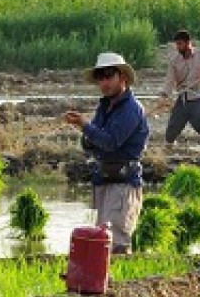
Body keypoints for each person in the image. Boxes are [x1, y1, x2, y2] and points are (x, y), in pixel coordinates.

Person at [64, 52, 149, 255]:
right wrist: (87, 131)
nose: (104, 82)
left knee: (116, 243)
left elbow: (110, 142)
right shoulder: (104, 107)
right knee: (102, 240)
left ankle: (119, 285)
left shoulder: (131, 108)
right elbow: (91, 143)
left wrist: (85, 126)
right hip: (104, 180)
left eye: (109, 75)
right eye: (100, 77)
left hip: (123, 185)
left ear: (123, 77)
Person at [158, 30, 200, 148]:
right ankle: (166, 155)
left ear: (188, 43)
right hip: (182, 100)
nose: (178, 47)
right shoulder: (174, 61)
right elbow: (169, 81)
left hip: (197, 99)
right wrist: (164, 96)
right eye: (177, 44)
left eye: (180, 44)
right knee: (171, 132)